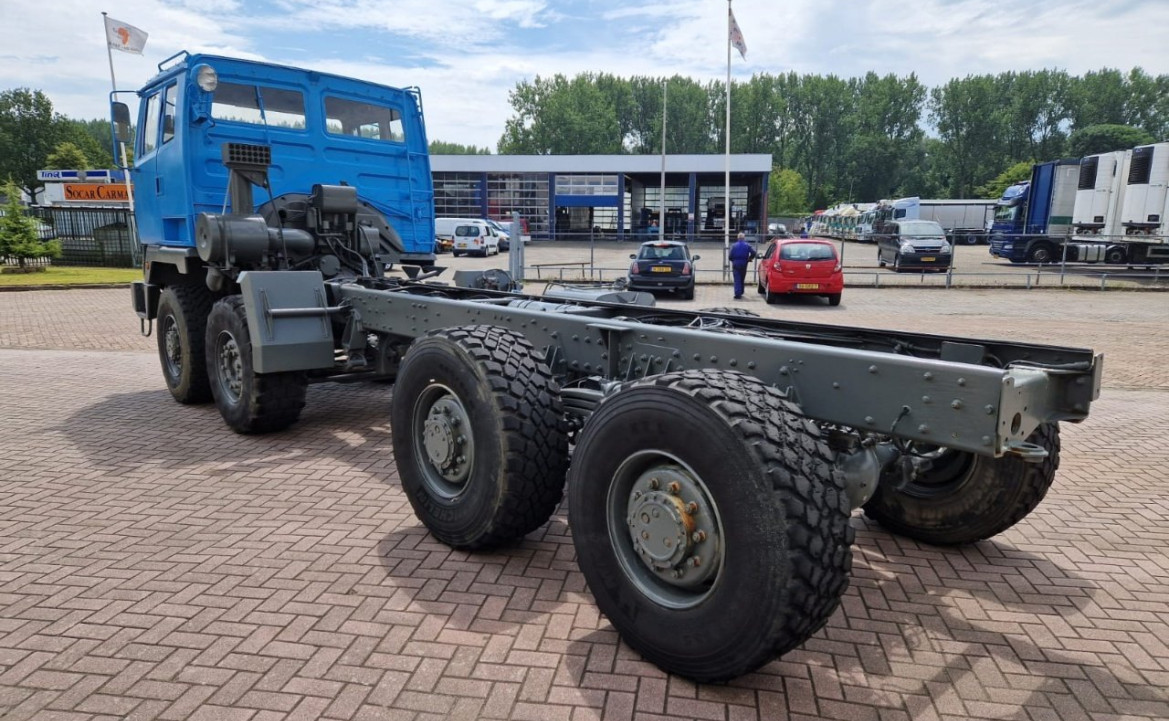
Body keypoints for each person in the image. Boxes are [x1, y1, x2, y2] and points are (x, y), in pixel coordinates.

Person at [728, 231, 756, 299]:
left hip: (736, 263)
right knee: (742, 277)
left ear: (738, 238)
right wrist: (750, 258)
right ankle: (741, 291)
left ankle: (738, 293)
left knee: (737, 278)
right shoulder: (747, 245)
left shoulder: (734, 246)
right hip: (744, 263)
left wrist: (733, 260)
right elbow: (754, 252)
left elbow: (730, 256)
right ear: (744, 238)